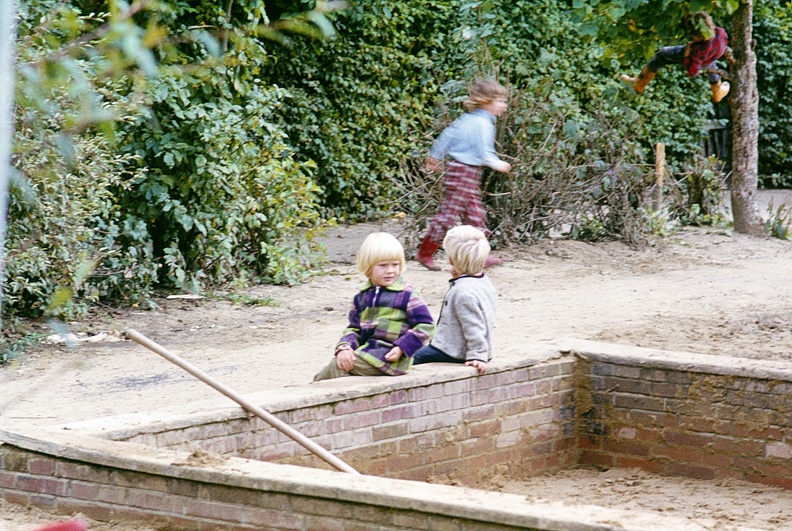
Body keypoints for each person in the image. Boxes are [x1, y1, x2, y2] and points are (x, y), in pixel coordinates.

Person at [416, 78, 512, 272]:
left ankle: (479, 255)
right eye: (500, 101)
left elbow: (446, 136)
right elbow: (483, 151)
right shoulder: (482, 124)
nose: (504, 105)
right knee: (449, 213)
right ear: (486, 101)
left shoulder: (467, 119)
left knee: (475, 215)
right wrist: (497, 163)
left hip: (463, 171)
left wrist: (434, 155)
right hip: (464, 171)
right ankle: (425, 252)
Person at [313, 232, 435, 381]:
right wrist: (345, 347)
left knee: (338, 366)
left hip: (389, 358)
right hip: (367, 353)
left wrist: (402, 348)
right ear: (368, 267)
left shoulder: (407, 294)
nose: (390, 270)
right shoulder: (361, 298)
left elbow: (426, 326)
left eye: (395, 265)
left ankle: (314, 394)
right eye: (383, 266)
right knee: (342, 361)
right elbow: (354, 328)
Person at [413, 225, 497, 375]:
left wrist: (478, 355)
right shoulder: (483, 281)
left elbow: (474, 325)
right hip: (459, 345)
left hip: (454, 351)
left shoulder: (463, 292)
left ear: (452, 259)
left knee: (410, 358)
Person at [620, 11, 730, 103]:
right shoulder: (720, 32)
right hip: (712, 57)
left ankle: (639, 84)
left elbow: (692, 72)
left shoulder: (698, 51)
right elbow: (724, 41)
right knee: (712, 66)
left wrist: (687, 53)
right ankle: (717, 94)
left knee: (662, 54)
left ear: (698, 36)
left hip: (695, 58)